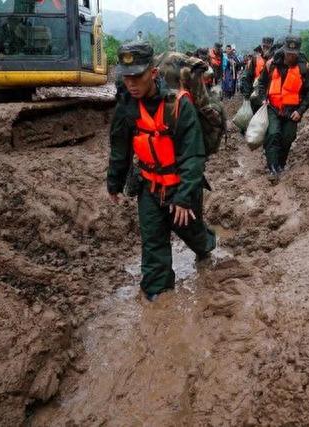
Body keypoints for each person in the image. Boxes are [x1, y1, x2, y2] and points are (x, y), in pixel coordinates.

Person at [107, 42, 216, 301]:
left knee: (192, 232)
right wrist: (114, 183)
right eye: (127, 76)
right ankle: (159, 293)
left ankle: (207, 246)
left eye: (138, 76)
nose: (131, 83)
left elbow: (193, 155)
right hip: (149, 187)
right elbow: (120, 149)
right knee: (153, 242)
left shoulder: (178, 106)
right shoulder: (126, 108)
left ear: (153, 74)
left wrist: (184, 196)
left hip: (180, 186)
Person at [256, 35, 309, 183]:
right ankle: (272, 168)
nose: (290, 56)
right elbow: (261, 83)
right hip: (273, 107)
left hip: (292, 111)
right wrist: (263, 98)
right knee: (273, 134)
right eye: (288, 52)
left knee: (287, 137)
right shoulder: (272, 64)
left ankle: (281, 164)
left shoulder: (304, 68)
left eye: (294, 54)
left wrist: (300, 111)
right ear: (284, 49)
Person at [240, 36, 274, 111]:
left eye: (268, 45)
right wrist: (246, 96)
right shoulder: (255, 59)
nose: (266, 48)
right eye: (264, 45)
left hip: (270, 97)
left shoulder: (275, 60)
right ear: (262, 45)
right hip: (256, 94)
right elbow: (248, 77)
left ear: (272, 45)